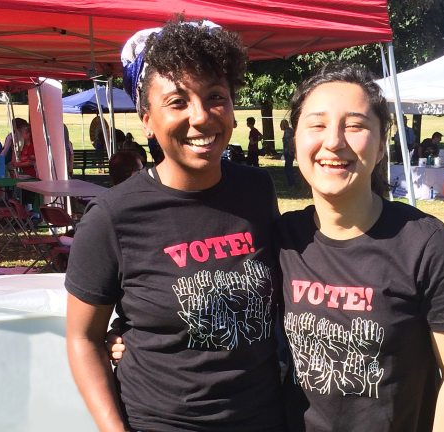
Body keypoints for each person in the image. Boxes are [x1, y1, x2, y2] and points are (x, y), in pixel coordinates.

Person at [108, 64, 444, 432]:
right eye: (317, 125)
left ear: (382, 143)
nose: (334, 141)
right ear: (296, 141)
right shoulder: (282, 238)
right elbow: (222, 292)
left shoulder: (427, 246)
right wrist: (133, 336)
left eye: (354, 125)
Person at [65, 20, 284, 432]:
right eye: (177, 102)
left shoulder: (257, 190)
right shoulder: (112, 218)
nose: (201, 117)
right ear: (147, 120)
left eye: (215, 96)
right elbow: (82, 338)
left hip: (266, 417)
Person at [280, 119, 295, 186]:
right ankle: (290, 182)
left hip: (289, 152)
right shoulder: (289, 131)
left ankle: (291, 183)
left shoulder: (288, 132)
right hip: (290, 151)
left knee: (288, 167)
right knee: (288, 167)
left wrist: (289, 150)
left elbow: (289, 142)